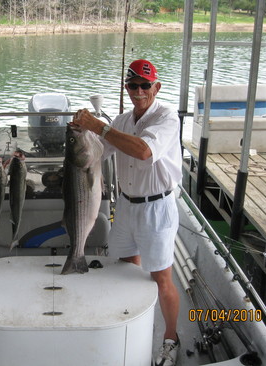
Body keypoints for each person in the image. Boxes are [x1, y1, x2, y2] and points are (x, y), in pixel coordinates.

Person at [71, 59, 182, 366]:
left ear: (156, 87)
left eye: (145, 85)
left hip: (157, 208)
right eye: (133, 85)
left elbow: (144, 152)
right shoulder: (120, 121)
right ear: (127, 88)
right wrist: (81, 133)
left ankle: (171, 338)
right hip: (126, 206)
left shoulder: (167, 117)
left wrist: (98, 125)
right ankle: (128, 323)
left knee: (162, 278)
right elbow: (98, 151)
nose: (139, 91)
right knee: (125, 268)